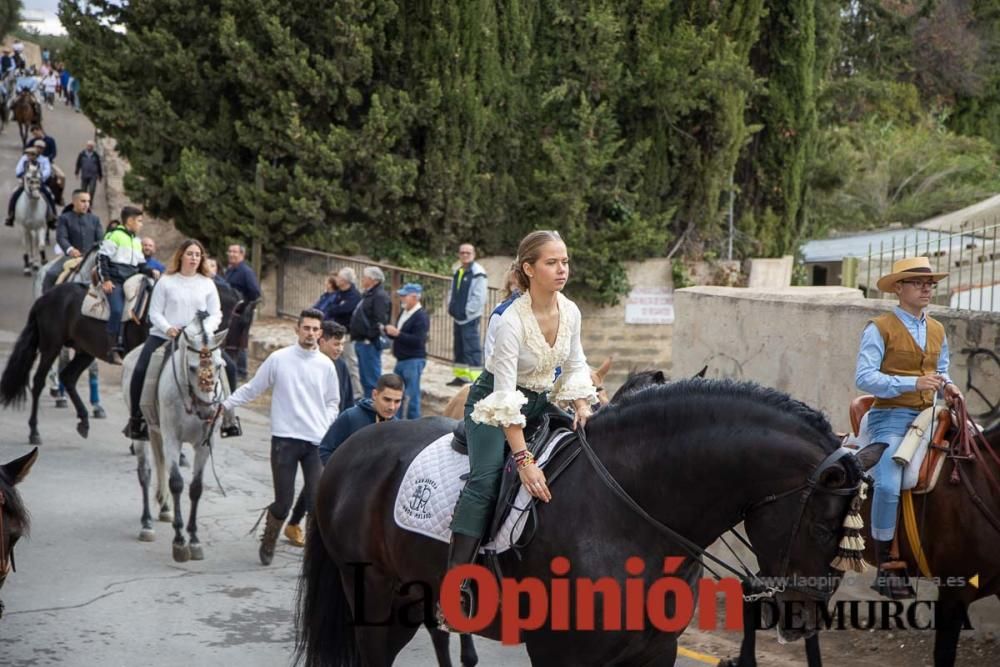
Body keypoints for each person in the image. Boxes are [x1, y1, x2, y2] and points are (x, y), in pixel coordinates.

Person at [443, 230, 596, 624]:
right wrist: (525, 459)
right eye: (552, 262)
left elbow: (577, 364)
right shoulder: (510, 320)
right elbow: (505, 396)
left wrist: (582, 405)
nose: (562, 269)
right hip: (493, 406)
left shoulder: (572, 310)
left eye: (565, 261)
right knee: (487, 479)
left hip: (542, 403)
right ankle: (455, 583)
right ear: (528, 269)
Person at [855, 256, 963, 600]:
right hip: (891, 417)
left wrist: (948, 386)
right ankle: (887, 562)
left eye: (930, 283)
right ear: (898, 288)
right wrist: (911, 384)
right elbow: (864, 377)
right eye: (918, 282)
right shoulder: (879, 327)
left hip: (932, 416)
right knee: (888, 482)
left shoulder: (937, 329)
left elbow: (940, 370)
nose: (927, 288)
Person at [221, 309, 340, 565]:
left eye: (315, 329)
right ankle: (269, 538)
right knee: (283, 502)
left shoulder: (326, 366)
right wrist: (227, 404)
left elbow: (333, 402)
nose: (310, 333)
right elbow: (254, 388)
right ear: (297, 329)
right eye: (306, 328)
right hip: (284, 440)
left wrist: (325, 423)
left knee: (315, 501)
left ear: (320, 334)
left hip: (315, 442)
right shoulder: (279, 359)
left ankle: (314, 556)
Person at [126, 238, 222, 439]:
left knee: (225, 365)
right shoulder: (166, 281)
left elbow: (216, 314)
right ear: (181, 256)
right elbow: (155, 313)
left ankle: (227, 418)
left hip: (197, 340)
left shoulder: (207, 284)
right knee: (142, 368)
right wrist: (168, 328)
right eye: (190, 254)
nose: (194, 258)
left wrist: (203, 330)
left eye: (198, 254)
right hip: (164, 336)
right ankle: (137, 420)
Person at [282, 319, 355, 547]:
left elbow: (346, 400)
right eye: (335, 344)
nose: (339, 349)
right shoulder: (308, 364)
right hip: (309, 434)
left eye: (342, 344)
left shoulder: (340, 366)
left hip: (333, 435)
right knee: (317, 484)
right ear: (322, 341)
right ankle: (306, 529)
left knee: (318, 482)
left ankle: (296, 524)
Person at [98, 206, 155, 363]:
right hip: (115, 281)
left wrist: (151, 272)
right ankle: (112, 348)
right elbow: (102, 258)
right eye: (139, 221)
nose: (141, 224)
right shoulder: (114, 236)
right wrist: (106, 280)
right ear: (130, 221)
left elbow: (141, 265)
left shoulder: (137, 241)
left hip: (133, 281)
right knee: (117, 310)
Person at [318, 372, 403, 465]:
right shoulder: (351, 417)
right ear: (375, 395)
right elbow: (325, 450)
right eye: (387, 399)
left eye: (397, 401)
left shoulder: (398, 427)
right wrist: (342, 476)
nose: (392, 407)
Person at [386, 283, 429, 419]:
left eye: (405, 296)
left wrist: (397, 334)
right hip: (402, 360)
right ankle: (396, 422)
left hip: (413, 360)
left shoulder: (421, 316)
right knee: (397, 393)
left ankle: (414, 426)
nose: (402, 298)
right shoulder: (405, 312)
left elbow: (418, 340)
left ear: (415, 297)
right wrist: (390, 333)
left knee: (411, 396)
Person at [447, 243, 488, 387]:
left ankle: (476, 381)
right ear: (459, 254)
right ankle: (461, 378)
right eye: (462, 252)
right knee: (459, 348)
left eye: (468, 253)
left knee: (472, 348)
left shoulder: (478, 272)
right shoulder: (458, 270)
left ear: (473, 254)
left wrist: (466, 313)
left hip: (468, 318)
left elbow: (479, 298)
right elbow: (452, 291)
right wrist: (450, 307)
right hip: (458, 317)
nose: (465, 255)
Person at [318, 267, 362, 396]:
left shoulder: (353, 295)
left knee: (350, 363)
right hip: (334, 332)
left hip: (346, 334)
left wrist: (335, 308)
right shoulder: (339, 294)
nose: (336, 279)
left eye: (339, 278)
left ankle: (356, 393)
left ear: (344, 280)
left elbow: (342, 310)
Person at [349, 266, 391, 396]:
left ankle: (374, 409)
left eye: (365, 277)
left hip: (369, 343)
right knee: (365, 379)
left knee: (371, 380)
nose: (363, 279)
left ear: (374, 280)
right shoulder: (369, 294)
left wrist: (369, 336)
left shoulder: (379, 296)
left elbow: (380, 320)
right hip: (362, 341)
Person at [223, 243, 261, 381]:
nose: (232, 254)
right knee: (231, 342)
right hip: (230, 313)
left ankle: (241, 371)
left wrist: (244, 306)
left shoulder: (246, 272)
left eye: (235, 252)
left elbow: (255, 293)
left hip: (241, 313)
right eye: (230, 251)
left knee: (240, 343)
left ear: (242, 255)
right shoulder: (230, 270)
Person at [6, 145, 57, 226]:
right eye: (28, 154)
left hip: (38, 183)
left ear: (36, 155)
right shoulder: (24, 161)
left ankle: (53, 215)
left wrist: (40, 177)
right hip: (25, 183)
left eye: (32, 154)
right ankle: (11, 215)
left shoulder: (40, 162)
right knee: (15, 194)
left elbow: (46, 171)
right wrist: (22, 175)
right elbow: (18, 170)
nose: (29, 156)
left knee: (48, 194)